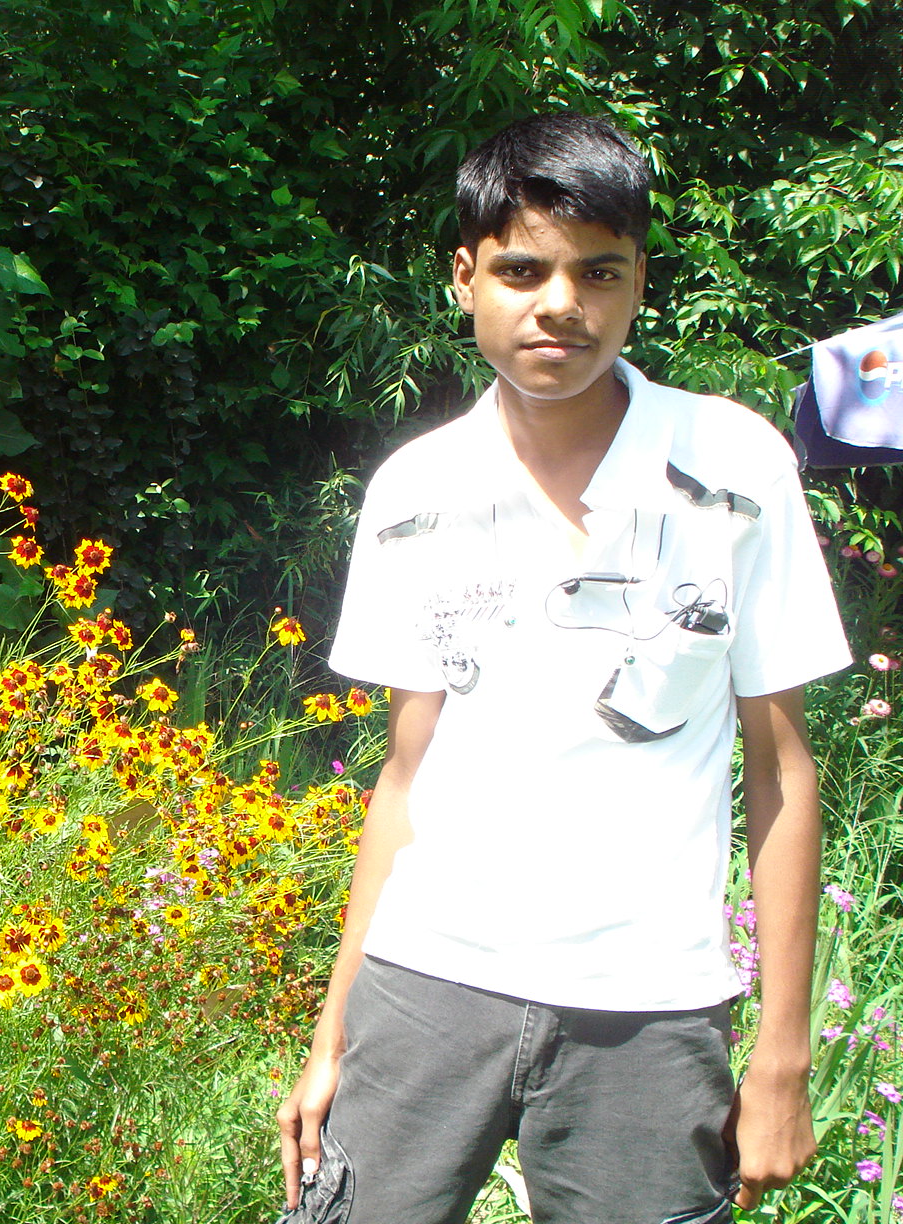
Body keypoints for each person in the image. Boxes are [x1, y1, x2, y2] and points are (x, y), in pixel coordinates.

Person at [277, 112, 850, 1224]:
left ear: (638, 284)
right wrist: (333, 1034)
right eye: (522, 270)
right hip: (425, 988)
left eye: (599, 271)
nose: (561, 303)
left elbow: (782, 770)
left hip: (648, 1012)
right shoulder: (415, 492)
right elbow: (406, 774)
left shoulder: (733, 470)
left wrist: (782, 1058)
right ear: (465, 276)